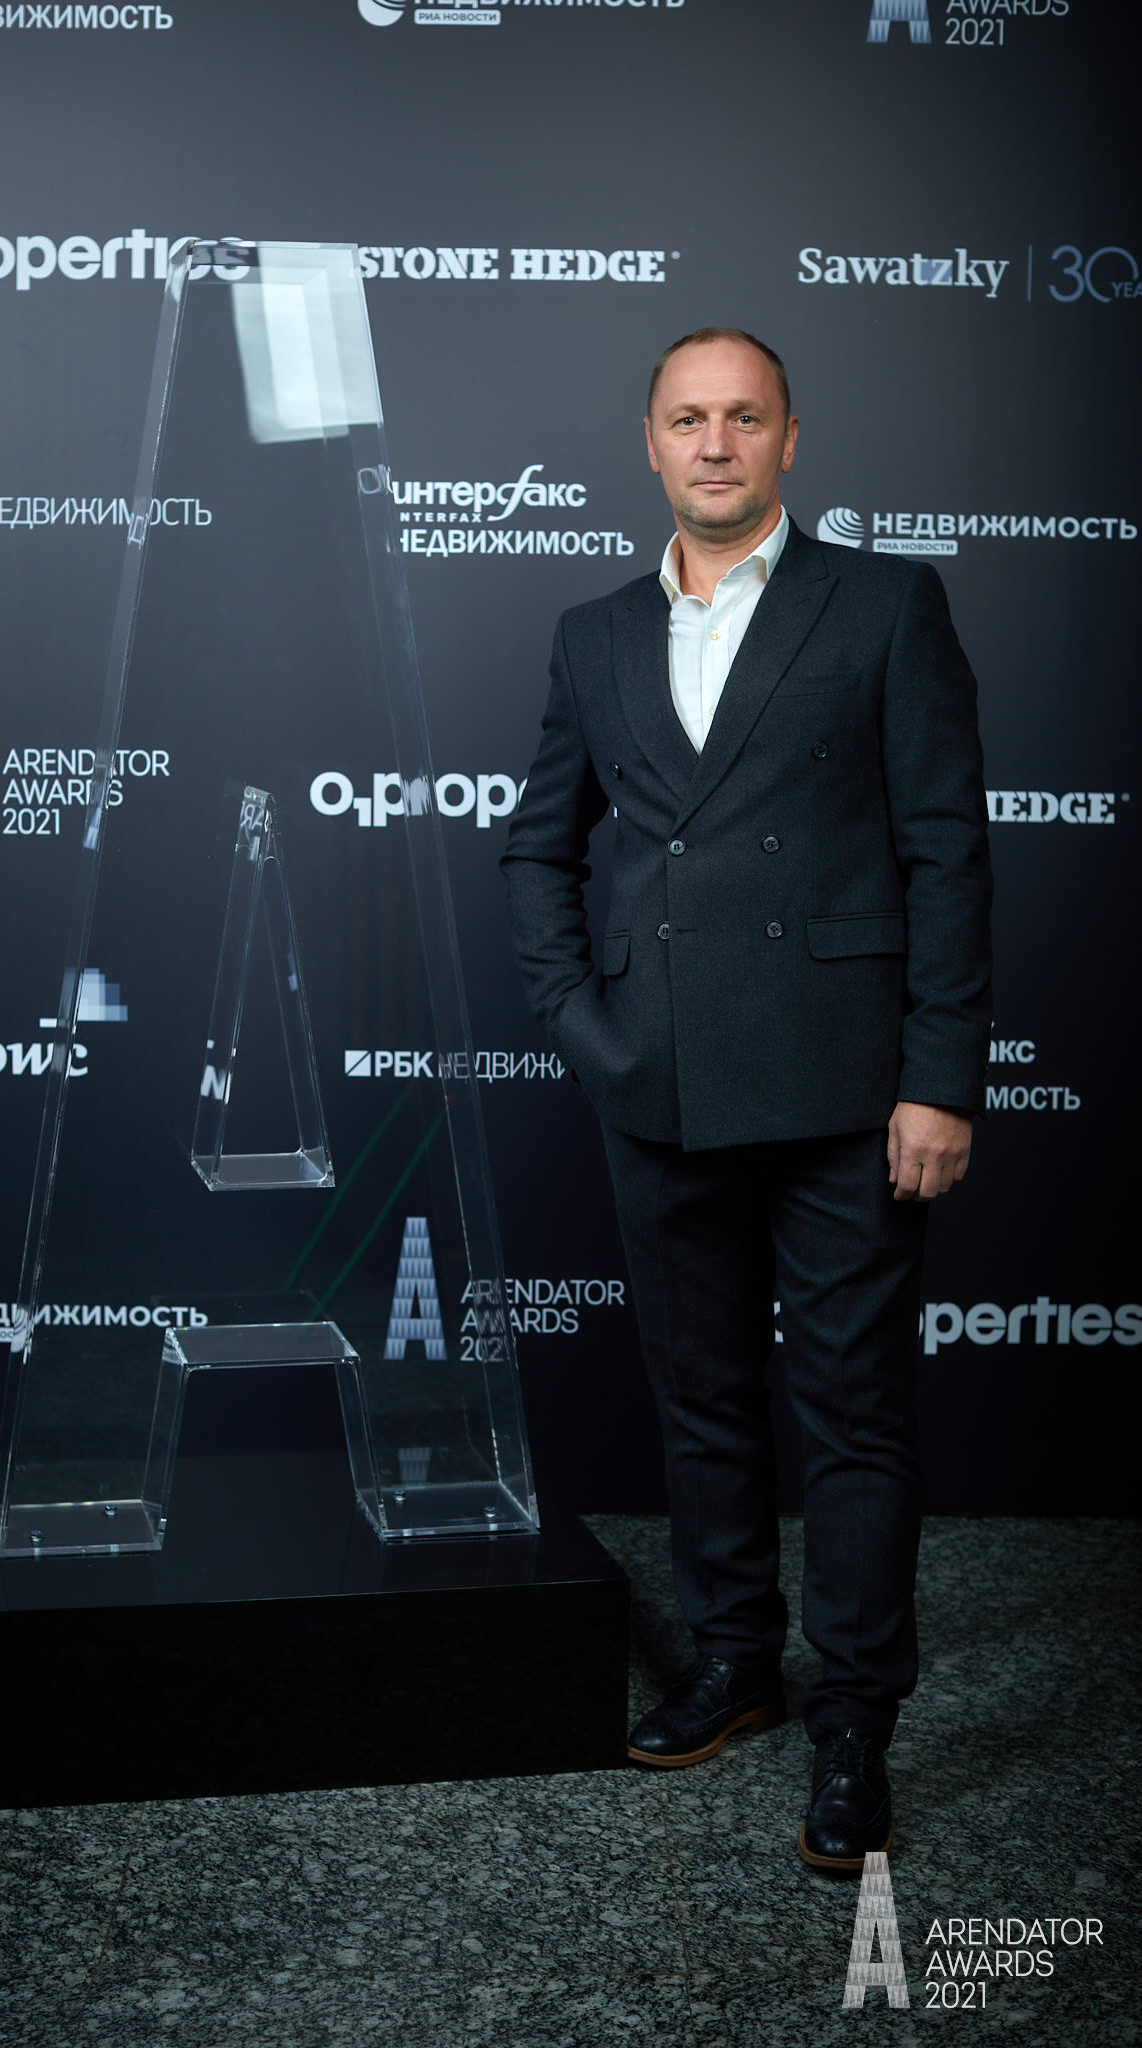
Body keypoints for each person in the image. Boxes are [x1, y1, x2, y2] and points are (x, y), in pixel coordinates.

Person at [500, 327, 992, 1871]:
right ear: (647, 442)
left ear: (788, 438)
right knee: (701, 1402)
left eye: (741, 417)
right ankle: (732, 1662)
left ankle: (853, 1718)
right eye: (685, 419)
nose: (712, 444)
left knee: (850, 1418)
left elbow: (945, 853)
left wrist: (938, 1081)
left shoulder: (885, 602)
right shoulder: (590, 632)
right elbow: (536, 847)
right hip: (655, 1082)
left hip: (848, 1090)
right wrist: (580, 1023)